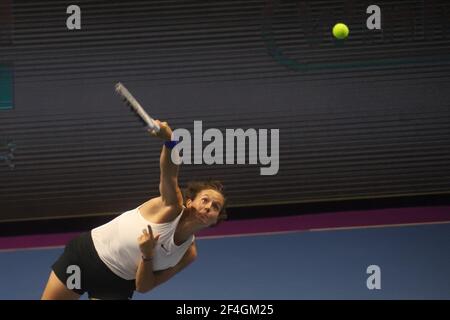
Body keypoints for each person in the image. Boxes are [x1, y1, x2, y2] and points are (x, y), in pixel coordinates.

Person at [41, 120, 227, 300]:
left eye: (215, 207)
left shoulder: (188, 254)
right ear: (189, 202)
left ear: (216, 219)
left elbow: (144, 286)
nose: (209, 206)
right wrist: (170, 140)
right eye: (205, 200)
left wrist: (147, 256)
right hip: (86, 255)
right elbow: (169, 173)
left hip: (116, 283)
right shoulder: (171, 207)